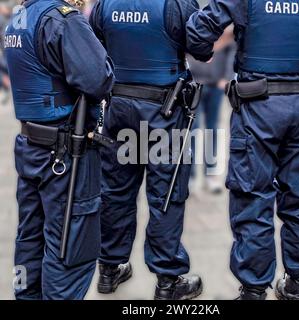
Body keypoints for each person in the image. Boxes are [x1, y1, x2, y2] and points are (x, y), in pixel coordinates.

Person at [186, 0, 299, 300]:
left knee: (252, 198)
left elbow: (198, 34)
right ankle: (297, 284)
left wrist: (208, 51)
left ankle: (254, 289)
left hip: (257, 108)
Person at [89, 0, 203, 300]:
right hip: (163, 111)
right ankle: (167, 282)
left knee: (115, 190)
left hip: (119, 107)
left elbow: (94, 46)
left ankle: (109, 270)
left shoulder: (105, 4)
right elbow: (202, 47)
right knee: (166, 193)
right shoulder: (176, 4)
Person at [5, 0, 114, 299]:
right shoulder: (62, 19)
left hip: (32, 147)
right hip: (66, 154)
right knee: (70, 247)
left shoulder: (19, 18)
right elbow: (98, 80)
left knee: (30, 239)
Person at [188, 27, 236, 194]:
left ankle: (211, 176)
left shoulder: (223, 21)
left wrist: (227, 77)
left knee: (212, 130)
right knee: (193, 129)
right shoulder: (192, 20)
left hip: (215, 85)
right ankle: (191, 175)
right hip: (194, 84)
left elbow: (232, 51)